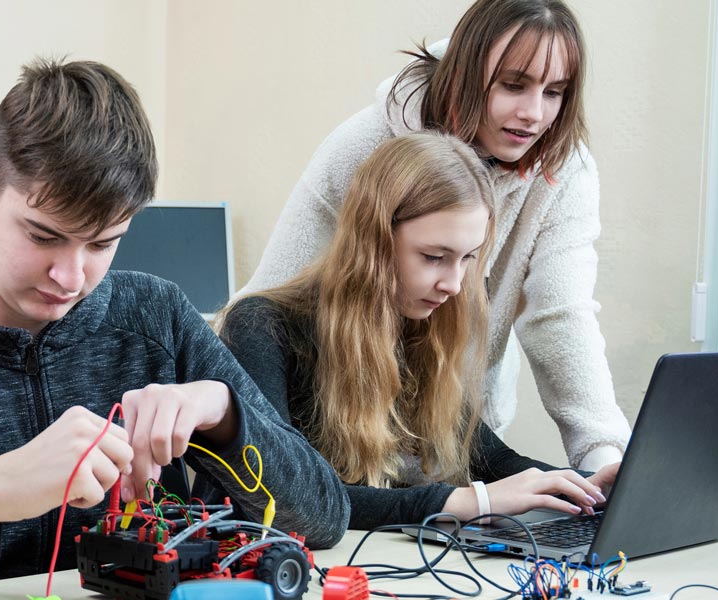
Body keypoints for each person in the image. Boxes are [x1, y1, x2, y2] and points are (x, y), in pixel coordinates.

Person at [0, 58, 348, 597]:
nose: (71, 278)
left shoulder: (158, 316)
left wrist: (225, 415)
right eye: (43, 235)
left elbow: (324, 518)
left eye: (103, 243)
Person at [239, 0, 629, 470]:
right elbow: (271, 304)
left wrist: (602, 457)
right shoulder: (365, 144)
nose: (533, 113)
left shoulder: (564, 172)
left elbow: (560, 315)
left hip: (452, 430)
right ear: (465, 73)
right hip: (329, 438)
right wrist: (262, 439)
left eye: (554, 92)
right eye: (513, 85)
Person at [218, 131, 618, 531]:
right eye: (434, 257)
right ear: (373, 241)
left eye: (468, 258)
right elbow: (282, 494)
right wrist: (466, 501)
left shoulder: (419, 329)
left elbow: (492, 461)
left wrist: (591, 486)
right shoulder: (260, 328)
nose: (454, 284)